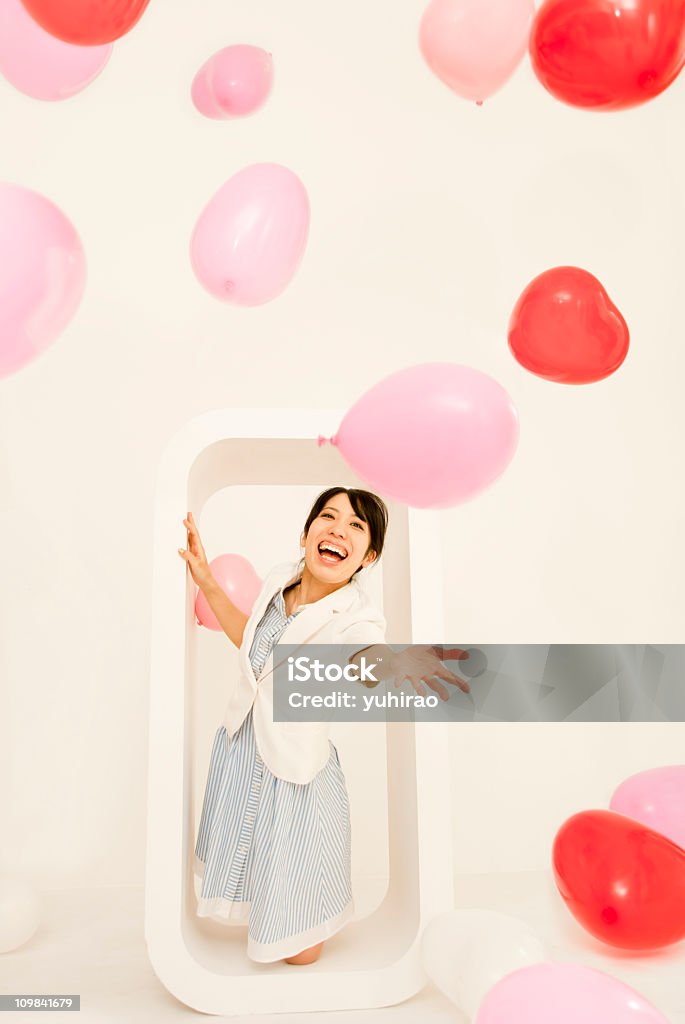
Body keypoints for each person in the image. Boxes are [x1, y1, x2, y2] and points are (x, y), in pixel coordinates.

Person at [178, 486, 469, 966]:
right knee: (253, 874)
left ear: (367, 556)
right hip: (243, 751)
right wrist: (206, 580)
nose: (339, 529)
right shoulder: (278, 582)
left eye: (356, 526)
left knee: (302, 952)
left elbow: (367, 657)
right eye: (329, 517)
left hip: (296, 774)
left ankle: (295, 921)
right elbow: (251, 641)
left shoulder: (356, 616)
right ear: (307, 533)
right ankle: (268, 913)